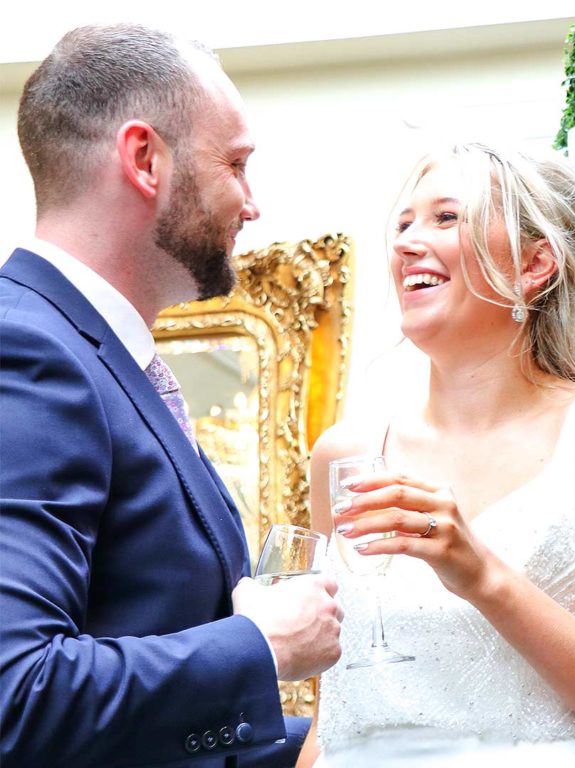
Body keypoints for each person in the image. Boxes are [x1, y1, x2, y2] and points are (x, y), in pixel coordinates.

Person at [0, 24, 344, 767]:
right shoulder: (25, 350)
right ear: (143, 159)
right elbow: (15, 697)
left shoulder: (105, 359)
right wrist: (259, 645)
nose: (251, 204)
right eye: (237, 164)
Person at [300, 144, 575, 767]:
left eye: (445, 218)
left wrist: (483, 577)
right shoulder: (345, 456)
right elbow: (336, 718)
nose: (405, 243)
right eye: (403, 224)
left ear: (534, 265)